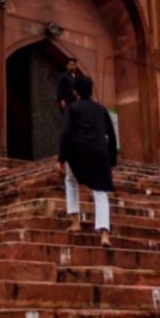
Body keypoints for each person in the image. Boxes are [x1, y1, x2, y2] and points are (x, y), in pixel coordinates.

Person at [58, 74, 117, 247]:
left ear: (75, 92)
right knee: (101, 191)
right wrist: (111, 160)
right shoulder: (101, 109)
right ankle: (104, 234)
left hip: (78, 153)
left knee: (70, 180)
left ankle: (75, 221)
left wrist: (61, 157)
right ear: (91, 91)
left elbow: (66, 133)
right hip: (99, 153)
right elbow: (111, 136)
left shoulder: (72, 108)